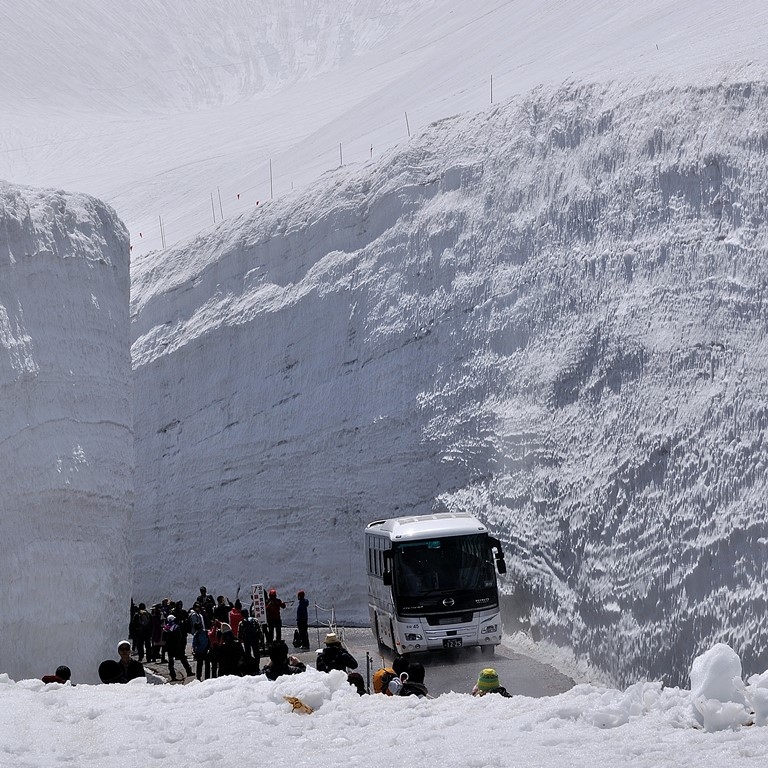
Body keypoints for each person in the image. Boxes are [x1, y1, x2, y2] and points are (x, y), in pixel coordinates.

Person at [162, 614, 193, 681]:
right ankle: (189, 671)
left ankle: (173, 676)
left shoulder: (165, 628)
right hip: (176, 646)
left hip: (169, 647)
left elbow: (163, 638)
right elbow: (180, 637)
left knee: (171, 662)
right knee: (183, 659)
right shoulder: (176, 627)